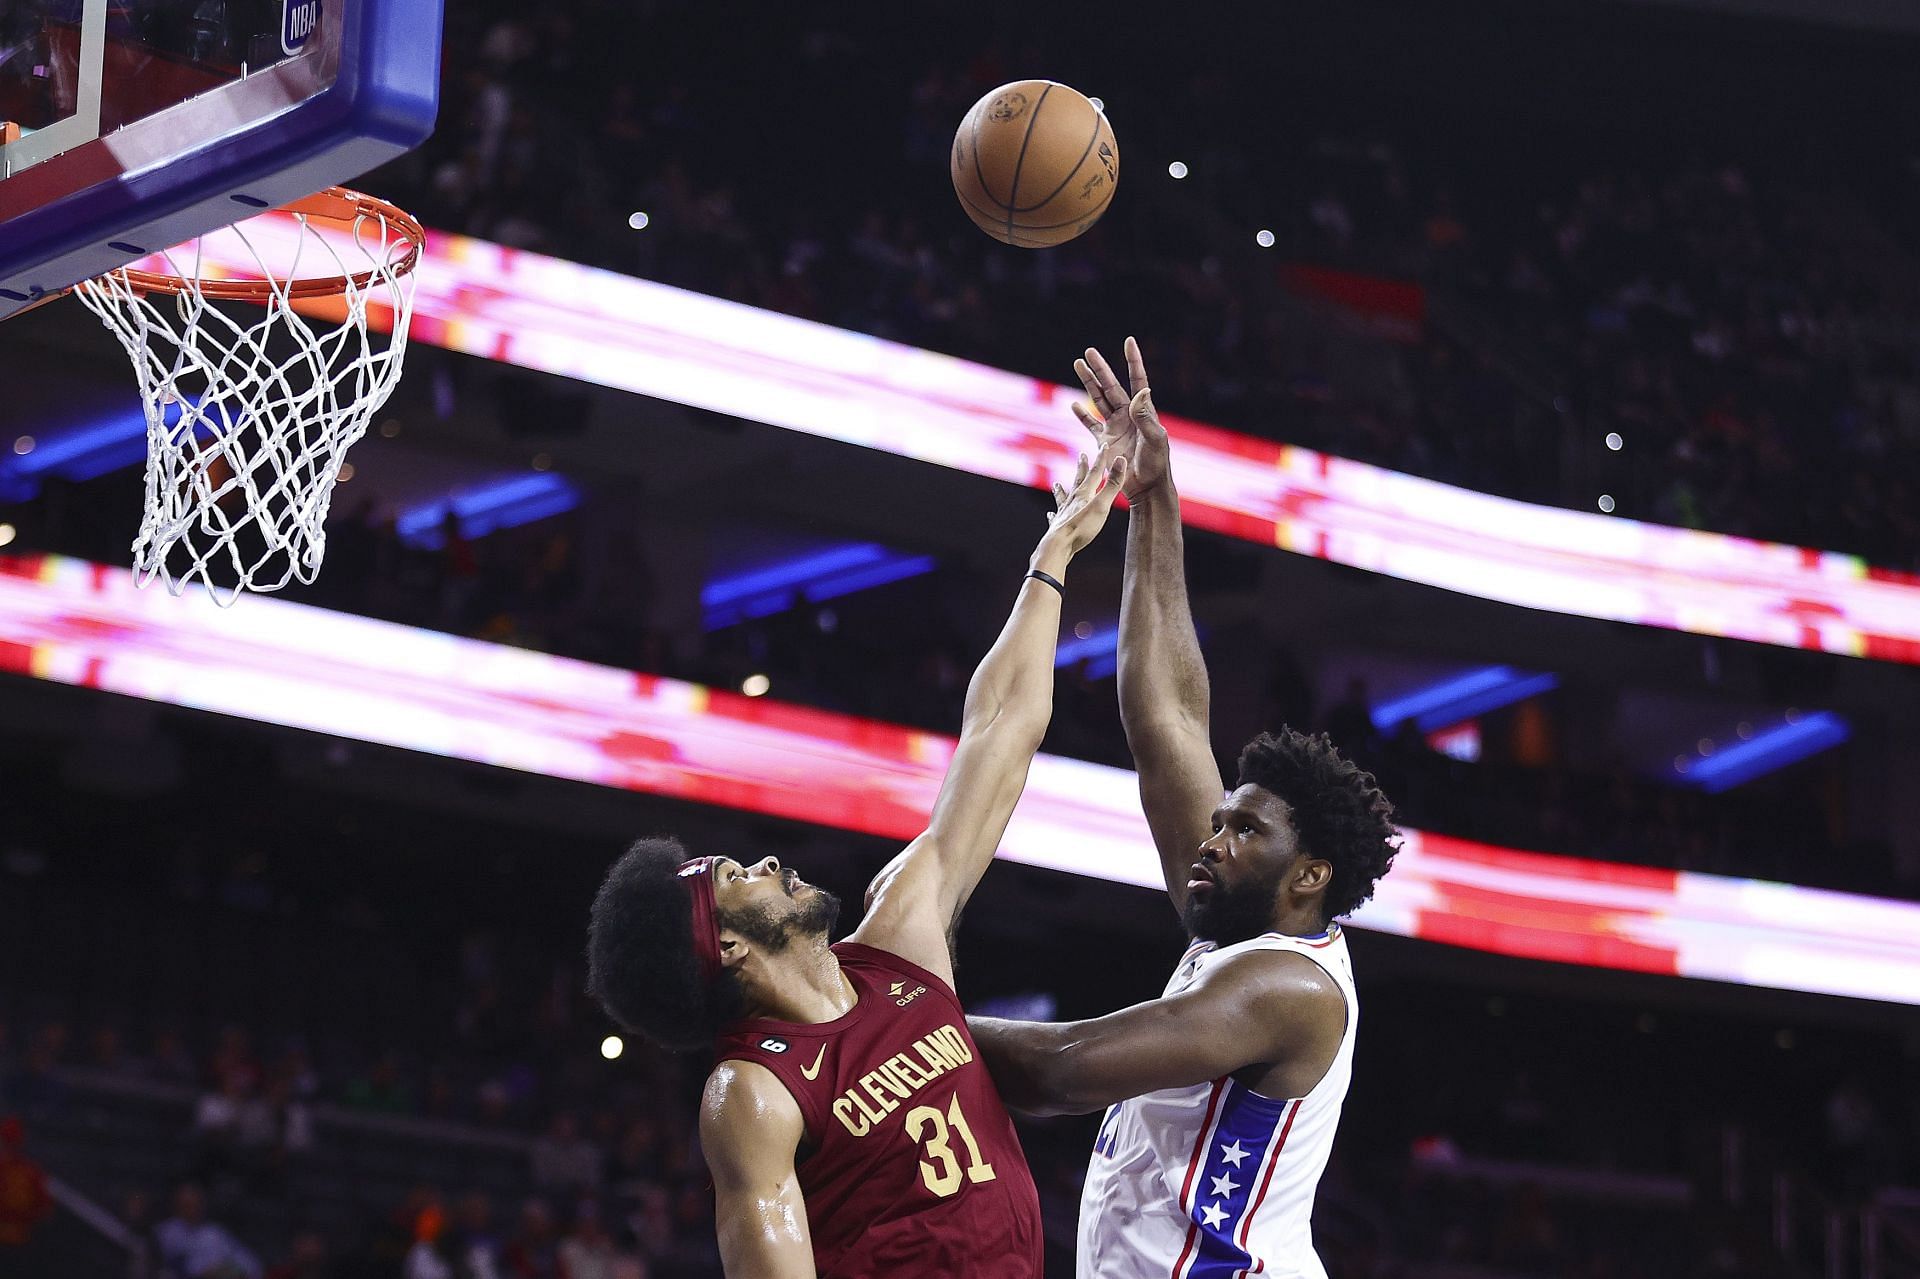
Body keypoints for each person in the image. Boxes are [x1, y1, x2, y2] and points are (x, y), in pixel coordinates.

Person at [586, 448, 1130, 1279]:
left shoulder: (900, 942)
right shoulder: (751, 1093)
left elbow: (998, 729)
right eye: (740, 876)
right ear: (726, 946)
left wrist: (1053, 554)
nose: (768, 860)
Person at [969, 339, 1401, 1279]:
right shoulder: (1247, 916)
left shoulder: (1286, 988)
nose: (1213, 837)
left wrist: (897, 1023)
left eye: (1244, 828)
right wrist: (1153, 493)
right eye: (1223, 817)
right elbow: (1164, 711)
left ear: (1311, 874)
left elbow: (1064, 1068)